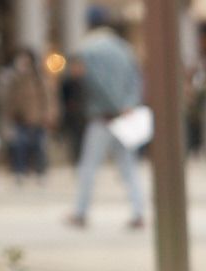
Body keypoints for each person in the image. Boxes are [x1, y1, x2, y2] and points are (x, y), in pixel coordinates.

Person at [68, 7, 147, 230]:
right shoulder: (125, 48)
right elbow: (137, 81)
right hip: (124, 115)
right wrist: (128, 105)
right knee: (128, 168)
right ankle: (138, 212)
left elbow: (92, 81)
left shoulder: (87, 49)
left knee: (89, 168)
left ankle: (81, 212)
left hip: (103, 117)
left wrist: (115, 106)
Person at [1, 47, 51, 182]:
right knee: (19, 146)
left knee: (38, 146)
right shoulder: (15, 78)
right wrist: (10, 114)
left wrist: (47, 114)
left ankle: (40, 172)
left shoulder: (38, 78)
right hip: (20, 118)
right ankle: (20, 171)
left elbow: (46, 98)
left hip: (37, 118)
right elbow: (10, 99)